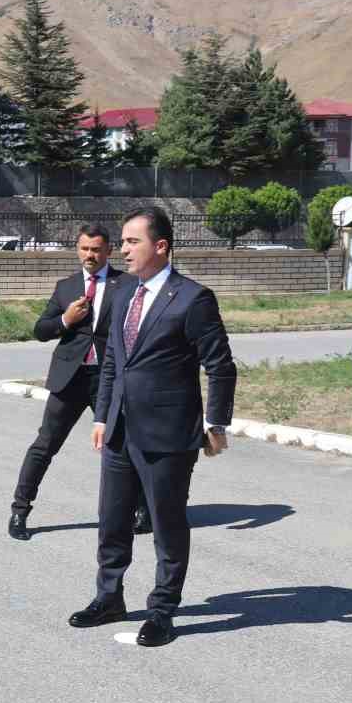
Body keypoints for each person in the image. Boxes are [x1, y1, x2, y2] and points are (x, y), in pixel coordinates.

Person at [70, 205, 237, 647]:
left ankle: (163, 610)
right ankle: (109, 597)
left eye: (131, 242)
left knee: (166, 524)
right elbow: (112, 362)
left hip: (168, 434)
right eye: (122, 241)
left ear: (160, 246)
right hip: (120, 430)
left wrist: (217, 423)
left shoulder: (192, 298)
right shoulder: (124, 292)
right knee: (112, 520)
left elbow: (221, 367)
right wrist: (102, 415)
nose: (121, 249)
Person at [8, 225, 149, 540]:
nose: (90, 255)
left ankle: (141, 509)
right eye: (85, 249)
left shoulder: (127, 284)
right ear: (77, 249)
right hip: (69, 378)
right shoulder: (65, 287)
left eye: (96, 249)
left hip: (110, 379)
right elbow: (40, 330)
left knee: (124, 446)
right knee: (44, 446)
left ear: (108, 251)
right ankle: (19, 511)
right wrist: (65, 321)